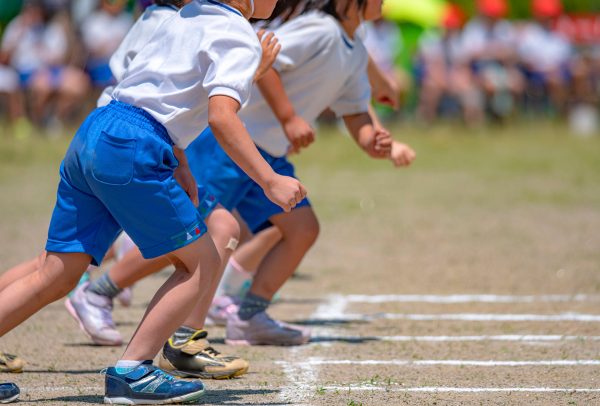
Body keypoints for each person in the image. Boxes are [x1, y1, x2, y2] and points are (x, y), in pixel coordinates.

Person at [0, 0, 305, 403]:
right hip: (135, 145)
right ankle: (133, 371)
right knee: (202, 261)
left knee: (57, 271)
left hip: (97, 129)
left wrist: (180, 161)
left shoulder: (185, 15)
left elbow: (152, 90)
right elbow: (221, 116)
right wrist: (269, 179)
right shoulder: (239, 36)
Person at [196, 0, 415, 345]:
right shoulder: (319, 28)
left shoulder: (355, 48)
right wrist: (289, 118)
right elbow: (263, 59)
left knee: (302, 228)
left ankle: (248, 317)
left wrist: (372, 141)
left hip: (270, 153)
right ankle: (103, 290)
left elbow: (355, 112)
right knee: (188, 230)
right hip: (234, 142)